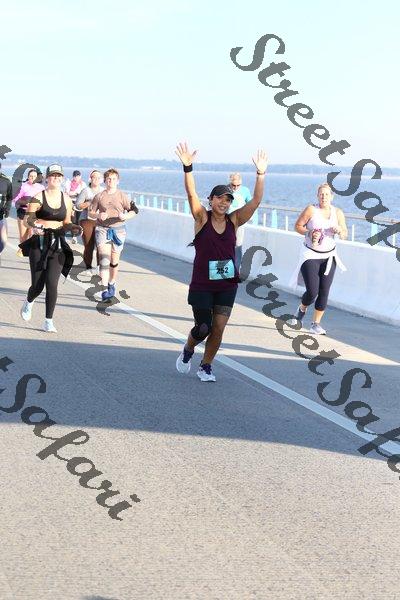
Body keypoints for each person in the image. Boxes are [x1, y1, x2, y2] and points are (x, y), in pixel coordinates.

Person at [175, 142, 268, 382]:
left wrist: (260, 174)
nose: (224, 203)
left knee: (218, 328)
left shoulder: (234, 220)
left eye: (228, 200)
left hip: (226, 283)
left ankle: (206, 366)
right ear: (211, 199)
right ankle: (189, 347)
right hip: (202, 284)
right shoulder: (202, 218)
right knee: (203, 328)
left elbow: (256, 201)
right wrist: (188, 168)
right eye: (220, 198)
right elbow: (191, 194)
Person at [19, 164, 82, 332]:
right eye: (53, 175)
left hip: (57, 243)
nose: (56, 178)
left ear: (62, 178)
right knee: (37, 285)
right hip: (39, 243)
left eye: (58, 176)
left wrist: (74, 227)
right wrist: (35, 226)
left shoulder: (66, 199)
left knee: (52, 283)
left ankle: (48, 321)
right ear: (47, 178)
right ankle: (29, 301)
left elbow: (66, 221)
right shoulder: (38, 197)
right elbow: (27, 220)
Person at [288, 182, 348, 335]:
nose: (324, 197)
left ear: (332, 197)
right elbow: (297, 226)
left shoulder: (338, 213)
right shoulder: (311, 209)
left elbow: (344, 234)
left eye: (327, 194)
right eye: (321, 194)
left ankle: (315, 324)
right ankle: (301, 309)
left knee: (324, 291)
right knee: (312, 291)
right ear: (317, 196)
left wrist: (339, 230)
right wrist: (309, 232)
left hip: (329, 256)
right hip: (310, 254)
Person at [88, 168, 137, 300]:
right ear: (105, 181)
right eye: (109, 179)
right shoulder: (99, 196)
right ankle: (104, 289)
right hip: (102, 229)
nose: (111, 181)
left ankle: (111, 283)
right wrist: (98, 215)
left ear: (118, 181)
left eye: (114, 179)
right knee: (104, 259)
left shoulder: (122, 196)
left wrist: (125, 216)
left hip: (119, 230)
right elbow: (90, 212)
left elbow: (134, 210)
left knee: (114, 261)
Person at [75, 170, 104, 275]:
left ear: (101, 180)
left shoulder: (103, 191)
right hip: (86, 220)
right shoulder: (86, 191)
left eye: (98, 178)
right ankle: (88, 266)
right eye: (94, 177)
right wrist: (88, 203)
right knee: (89, 245)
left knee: (100, 245)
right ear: (90, 179)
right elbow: (77, 205)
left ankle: (99, 267)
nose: (96, 179)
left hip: (100, 221)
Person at [13, 168, 45, 255]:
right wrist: (26, 202)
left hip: (35, 214)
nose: (33, 178)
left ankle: (32, 253)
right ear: (28, 177)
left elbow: (45, 199)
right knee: (23, 237)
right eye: (31, 176)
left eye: (34, 176)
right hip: (23, 212)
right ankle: (23, 249)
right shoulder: (23, 186)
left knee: (33, 234)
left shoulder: (41, 187)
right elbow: (15, 199)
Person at [228, 172, 252, 269]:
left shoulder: (245, 190)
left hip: (239, 223)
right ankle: (223, 271)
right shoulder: (225, 189)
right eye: (233, 185)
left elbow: (250, 204)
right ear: (230, 182)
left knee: (238, 246)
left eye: (238, 185)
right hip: (225, 222)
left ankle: (236, 270)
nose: (235, 187)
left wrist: (248, 216)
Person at [65, 170, 87, 244]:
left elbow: (85, 193)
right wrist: (75, 194)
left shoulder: (83, 184)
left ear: (80, 176)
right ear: (73, 176)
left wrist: (77, 194)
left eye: (78, 176)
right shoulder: (69, 183)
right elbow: (67, 193)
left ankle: (77, 234)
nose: (76, 178)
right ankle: (73, 236)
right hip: (71, 203)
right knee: (73, 219)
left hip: (80, 204)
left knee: (78, 220)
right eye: (75, 176)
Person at [0, 163, 12, 259]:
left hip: (1, 215)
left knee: (3, 240)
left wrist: (7, 209)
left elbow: (9, 197)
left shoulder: (6, 181)